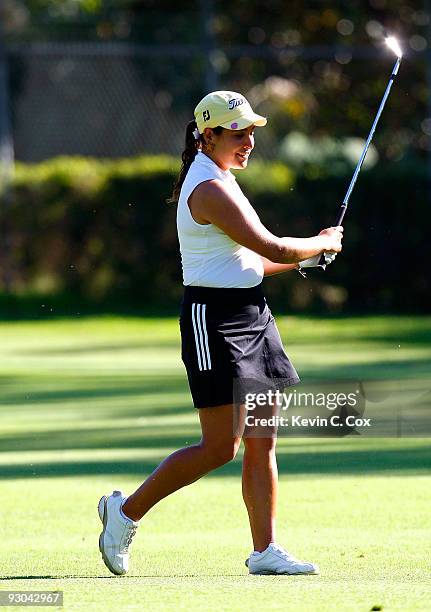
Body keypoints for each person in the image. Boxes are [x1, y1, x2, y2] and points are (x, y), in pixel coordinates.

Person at [98, 91, 343, 576]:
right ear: (207, 136)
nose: (249, 141)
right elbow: (269, 243)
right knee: (219, 447)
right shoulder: (208, 189)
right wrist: (319, 242)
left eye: (252, 131)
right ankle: (123, 514)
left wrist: (310, 255)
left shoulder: (224, 178)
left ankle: (265, 551)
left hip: (253, 314)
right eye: (238, 133)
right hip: (213, 321)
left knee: (262, 439)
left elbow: (251, 262)